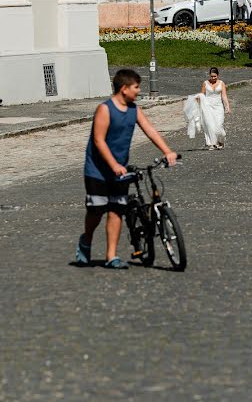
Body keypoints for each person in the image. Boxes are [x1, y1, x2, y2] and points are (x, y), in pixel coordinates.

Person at [77, 69, 178, 269]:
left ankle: (111, 256)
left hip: (120, 171)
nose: (139, 91)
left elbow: (150, 131)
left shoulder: (134, 110)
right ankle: (86, 240)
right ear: (124, 89)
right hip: (97, 170)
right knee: (96, 211)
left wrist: (168, 151)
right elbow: (98, 140)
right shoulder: (105, 110)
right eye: (136, 87)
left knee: (116, 210)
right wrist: (113, 164)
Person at [199, 67, 230, 150]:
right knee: (210, 125)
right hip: (208, 107)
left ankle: (221, 140)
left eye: (215, 76)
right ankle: (212, 143)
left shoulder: (221, 83)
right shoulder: (205, 83)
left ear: (218, 75)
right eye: (211, 76)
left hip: (218, 107)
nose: (213, 78)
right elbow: (201, 95)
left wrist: (227, 106)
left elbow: (224, 96)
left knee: (219, 126)